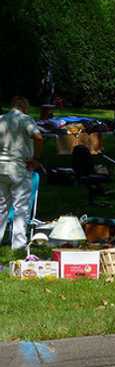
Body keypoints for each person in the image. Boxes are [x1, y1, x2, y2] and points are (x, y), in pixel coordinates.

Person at [0, 97, 44, 251]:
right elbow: (38, 137)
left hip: (1, 168)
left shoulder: (1, 119)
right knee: (21, 208)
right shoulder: (25, 120)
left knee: (1, 207)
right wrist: (35, 159)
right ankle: (18, 246)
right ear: (24, 107)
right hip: (19, 168)